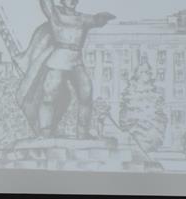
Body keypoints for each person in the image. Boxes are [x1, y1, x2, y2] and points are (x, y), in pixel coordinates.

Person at [17, 0, 115, 138]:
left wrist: (103, 17)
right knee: (49, 95)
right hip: (58, 59)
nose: (72, 1)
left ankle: (83, 133)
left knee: (86, 92)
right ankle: (45, 133)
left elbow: (96, 20)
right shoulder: (55, 14)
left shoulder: (82, 18)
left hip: (76, 61)